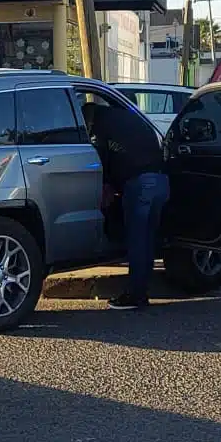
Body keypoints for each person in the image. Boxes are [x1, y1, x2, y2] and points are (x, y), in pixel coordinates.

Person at [85, 95, 168, 311]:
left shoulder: (102, 125)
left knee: (137, 242)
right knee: (147, 240)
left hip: (140, 185)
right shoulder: (138, 121)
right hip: (161, 182)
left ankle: (136, 295)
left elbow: (102, 158)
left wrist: (108, 185)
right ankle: (141, 289)